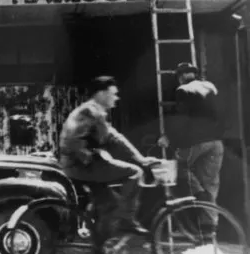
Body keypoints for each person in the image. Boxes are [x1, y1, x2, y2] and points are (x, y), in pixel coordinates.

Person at [59, 76, 157, 236]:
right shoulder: (90, 111)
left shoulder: (94, 111)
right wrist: (91, 157)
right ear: (101, 94)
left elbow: (114, 137)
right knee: (135, 173)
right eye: (113, 94)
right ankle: (127, 219)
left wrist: (139, 158)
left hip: (78, 165)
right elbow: (72, 140)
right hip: (79, 166)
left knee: (110, 205)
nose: (116, 98)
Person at [158, 62, 224, 234]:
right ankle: (209, 231)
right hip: (216, 143)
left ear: (180, 77)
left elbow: (183, 118)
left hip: (195, 142)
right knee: (210, 184)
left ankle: (198, 194)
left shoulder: (183, 90)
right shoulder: (210, 86)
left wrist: (169, 137)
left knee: (179, 168)